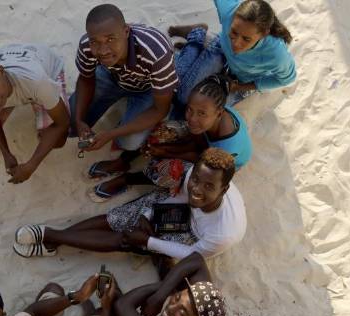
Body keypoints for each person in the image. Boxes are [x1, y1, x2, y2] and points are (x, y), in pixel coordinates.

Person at [13, 147, 246, 261]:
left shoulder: (223, 232)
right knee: (119, 218)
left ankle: (51, 235)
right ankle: (53, 241)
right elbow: (181, 197)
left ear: (223, 190)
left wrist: (148, 240)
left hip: (193, 236)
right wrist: (146, 215)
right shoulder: (192, 179)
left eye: (208, 187)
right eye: (196, 179)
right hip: (182, 210)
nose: (197, 188)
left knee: (125, 239)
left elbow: (191, 254)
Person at [91, 75, 252, 201]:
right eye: (190, 109)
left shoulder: (229, 148)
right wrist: (163, 149)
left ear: (219, 113)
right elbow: (196, 141)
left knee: (170, 172)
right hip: (203, 145)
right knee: (164, 130)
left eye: (201, 113)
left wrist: (167, 152)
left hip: (215, 164)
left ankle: (127, 180)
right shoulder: (209, 117)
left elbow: (200, 158)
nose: (192, 118)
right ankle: (123, 161)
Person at [72, 4, 178, 180]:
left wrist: (111, 134)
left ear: (126, 31)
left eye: (110, 39)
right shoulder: (86, 45)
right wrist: (79, 120)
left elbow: (161, 110)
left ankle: (187, 48)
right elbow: (85, 79)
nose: (102, 50)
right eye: (95, 42)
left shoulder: (156, 52)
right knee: (71, 124)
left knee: (129, 142)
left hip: (147, 88)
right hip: (112, 76)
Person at [0, 43, 70, 184]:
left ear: (1, 71)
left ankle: (53, 97)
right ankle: (10, 100)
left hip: (44, 69)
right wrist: (6, 152)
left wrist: (31, 165)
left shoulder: (37, 80)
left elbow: (63, 122)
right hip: (18, 79)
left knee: (58, 140)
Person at [170, 0, 295, 106]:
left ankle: (200, 37)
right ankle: (198, 34)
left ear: (264, 34)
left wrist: (241, 87)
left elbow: (287, 79)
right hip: (221, 51)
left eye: (246, 39)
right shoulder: (228, 10)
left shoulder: (276, 53)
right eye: (234, 32)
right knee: (182, 96)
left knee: (199, 104)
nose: (236, 43)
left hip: (241, 81)